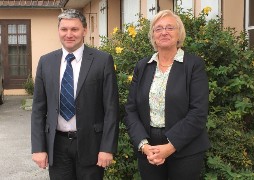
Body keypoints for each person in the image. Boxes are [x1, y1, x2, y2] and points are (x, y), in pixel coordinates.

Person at [31, 9, 119, 180]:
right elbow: (38, 109)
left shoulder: (102, 60)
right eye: (64, 29)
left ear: (84, 31)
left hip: (91, 144)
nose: (69, 34)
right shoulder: (45, 62)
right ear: (58, 31)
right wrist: (38, 147)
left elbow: (111, 108)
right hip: (57, 145)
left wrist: (107, 148)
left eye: (74, 29)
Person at [124, 10, 210, 180]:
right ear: (153, 36)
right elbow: (130, 109)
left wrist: (170, 147)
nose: (164, 32)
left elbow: (198, 112)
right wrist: (144, 145)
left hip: (186, 148)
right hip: (149, 148)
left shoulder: (193, 65)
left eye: (170, 28)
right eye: (158, 29)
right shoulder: (142, 66)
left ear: (179, 34)